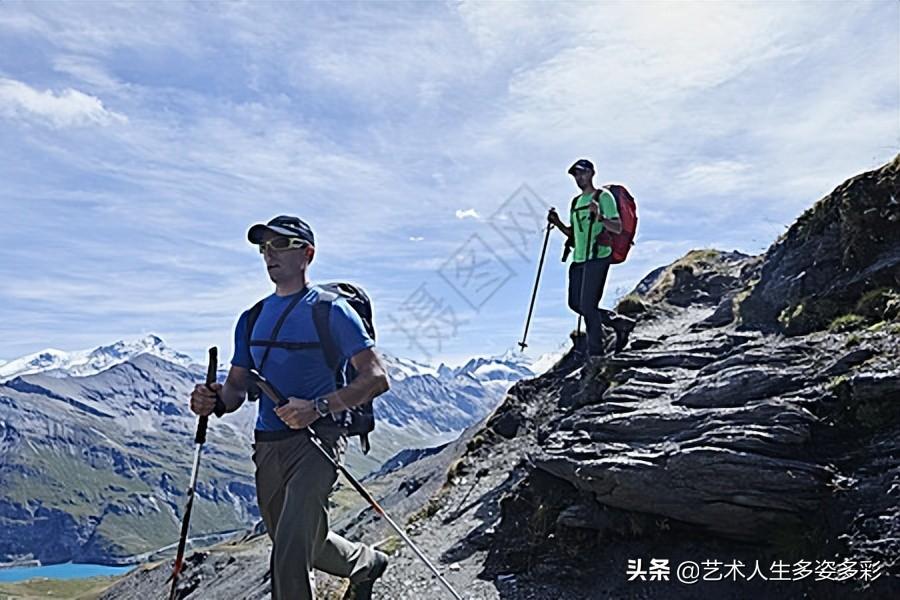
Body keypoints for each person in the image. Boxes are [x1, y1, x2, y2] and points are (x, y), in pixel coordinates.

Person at [189, 215, 390, 600]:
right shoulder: (251, 319)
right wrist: (212, 401)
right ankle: (367, 562)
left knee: (288, 554)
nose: (269, 254)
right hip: (267, 445)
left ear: (307, 254)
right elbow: (235, 388)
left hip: (319, 440)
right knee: (302, 542)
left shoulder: (331, 311)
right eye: (264, 247)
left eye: (281, 244)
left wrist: (318, 407)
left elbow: (377, 377)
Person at [547, 159, 635, 359]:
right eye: (576, 175)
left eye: (582, 173)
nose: (579, 178)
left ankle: (596, 353)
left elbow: (617, 227)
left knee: (588, 306)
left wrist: (600, 216)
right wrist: (557, 222)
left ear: (592, 173)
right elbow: (574, 234)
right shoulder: (576, 202)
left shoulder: (603, 197)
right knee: (575, 304)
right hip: (579, 259)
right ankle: (619, 324)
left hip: (597, 257)